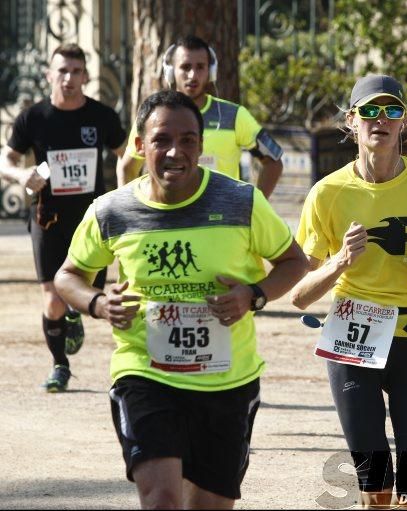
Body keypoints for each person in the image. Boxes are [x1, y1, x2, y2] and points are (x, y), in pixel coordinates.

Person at [54, 90, 307, 509]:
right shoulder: (112, 211)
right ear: (139, 145)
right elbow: (68, 276)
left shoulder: (241, 202)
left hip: (228, 380)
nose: (176, 151)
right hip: (145, 373)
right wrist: (98, 303)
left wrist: (254, 295)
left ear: (202, 145)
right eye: (162, 140)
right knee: (162, 500)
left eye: (188, 140)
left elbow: (293, 261)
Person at [290, 74, 407, 508]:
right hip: (350, 338)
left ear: (403, 120)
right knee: (374, 484)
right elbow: (299, 295)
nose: (381, 120)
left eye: (391, 111)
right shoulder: (327, 193)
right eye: (370, 111)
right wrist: (338, 263)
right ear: (351, 121)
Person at [0, 43, 126, 392]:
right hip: (47, 218)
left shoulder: (102, 116)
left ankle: (75, 314)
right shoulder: (33, 118)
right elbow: (5, 159)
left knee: (90, 294)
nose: (69, 78)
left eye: (76, 71)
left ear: (85, 76)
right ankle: (60, 365)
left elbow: (127, 155)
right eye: (62, 71)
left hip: (93, 220)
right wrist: (21, 176)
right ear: (49, 75)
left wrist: (123, 195)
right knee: (53, 296)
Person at [117, 35, 283, 199]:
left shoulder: (234, 115)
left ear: (211, 72)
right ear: (170, 72)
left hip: (221, 220)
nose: (193, 75)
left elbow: (273, 162)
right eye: (185, 67)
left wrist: (254, 204)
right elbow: (128, 168)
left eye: (200, 67)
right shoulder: (153, 117)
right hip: (168, 217)